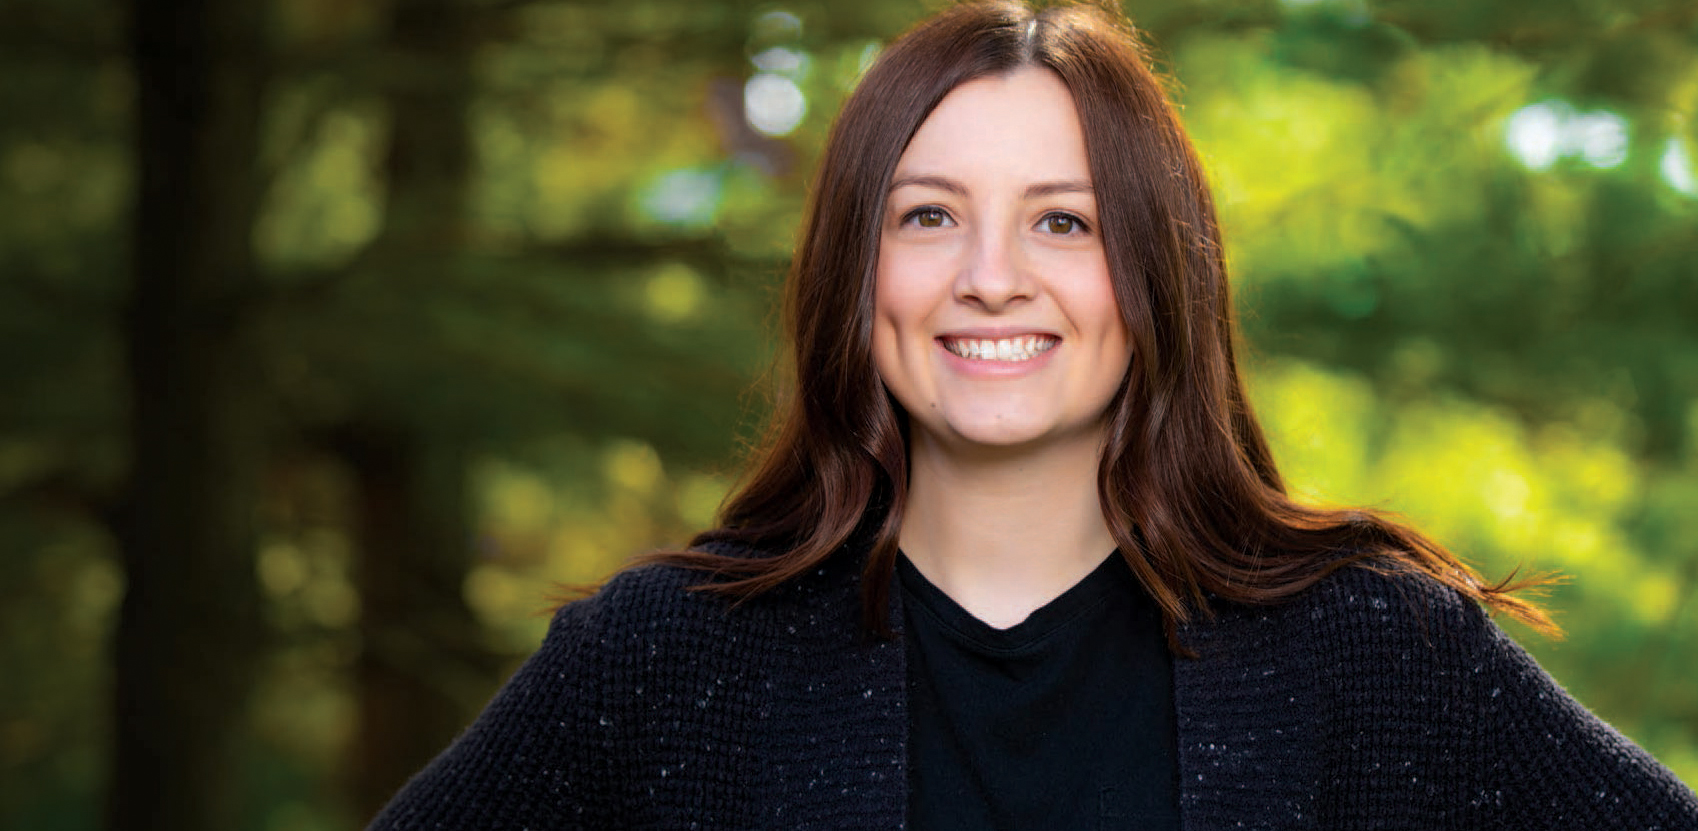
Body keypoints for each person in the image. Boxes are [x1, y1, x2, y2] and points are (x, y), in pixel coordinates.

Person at [369, 2, 1698, 828]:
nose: (988, 274)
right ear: (854, 273)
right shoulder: (659, 665)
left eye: (1061, 221)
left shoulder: (1375, 652)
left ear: (1152, 274)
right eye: (928, 216)